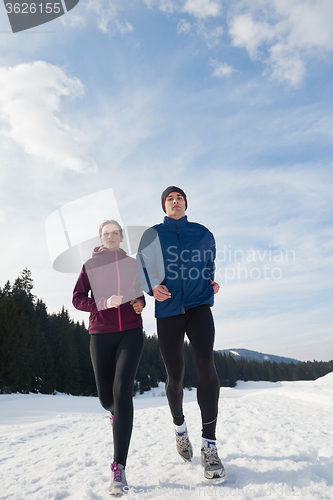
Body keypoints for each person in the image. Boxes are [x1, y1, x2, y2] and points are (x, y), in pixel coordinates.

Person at [137, 186, 225, 480]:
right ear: (164, 206)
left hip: (199, 306)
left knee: (205, 366)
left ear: (186, 203)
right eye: (169, 199)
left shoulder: (202, 233)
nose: (175, 202)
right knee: (175, 376)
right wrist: (151, 288)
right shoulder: (152, 234)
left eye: (179, 198)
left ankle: (209, 446)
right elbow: (143, 267)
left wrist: (210, 280)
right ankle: (180, 429)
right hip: (168, 310)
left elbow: (209, 261)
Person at [73, 219, 145, 496]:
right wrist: (101, 304)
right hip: (100, 333)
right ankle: (117, 414)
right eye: (107, 233)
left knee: (122, 391)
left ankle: (119, 468)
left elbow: (140, 293)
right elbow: (78, 298)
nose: (112, 236)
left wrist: (140, 302)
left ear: (122, 236)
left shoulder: (132, 263)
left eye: (116, 233)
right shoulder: (90, 266)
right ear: (101, 238)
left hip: (131, 332)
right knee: (107, 400)